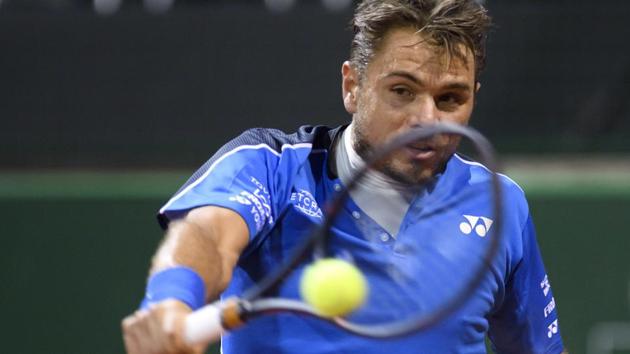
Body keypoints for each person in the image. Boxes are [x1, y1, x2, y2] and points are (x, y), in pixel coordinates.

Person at [122, 0, 567, 353]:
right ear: (352, 86)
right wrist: (171, 300)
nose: (427, 118)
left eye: (450, 98)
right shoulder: (271, 166)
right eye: (402, 91)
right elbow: (207, 237)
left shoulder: (500, 205)